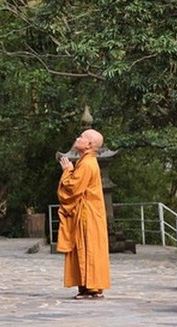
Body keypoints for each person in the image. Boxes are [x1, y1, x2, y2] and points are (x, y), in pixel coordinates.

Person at [56, 128, 110, 299]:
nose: (77, 138)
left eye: (82, 137)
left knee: (88, 249)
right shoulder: (86, 161)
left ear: (89, 144)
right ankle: (88, 287)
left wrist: (67, 170)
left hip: (88, 216)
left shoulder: (87, 164)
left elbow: (72, 189)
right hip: (89, 214)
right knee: (86, 249)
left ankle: (92, 288)